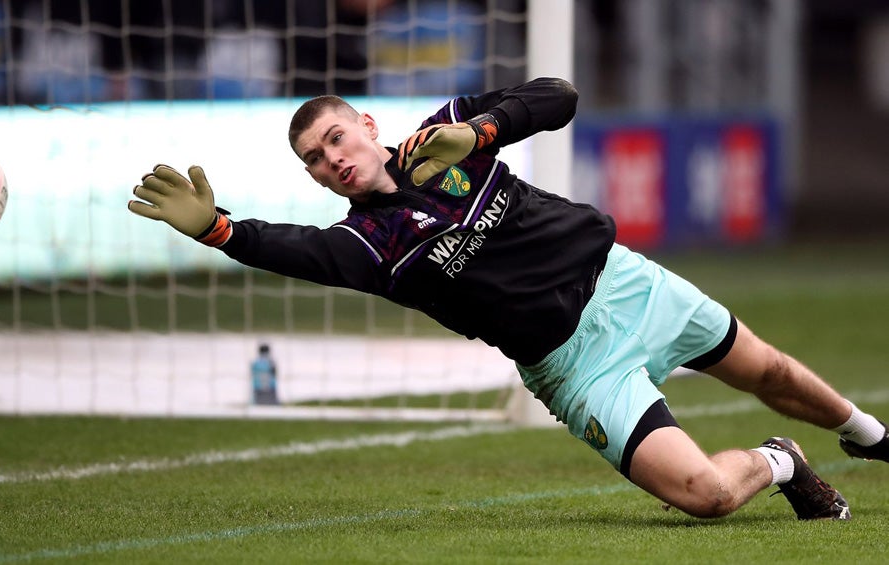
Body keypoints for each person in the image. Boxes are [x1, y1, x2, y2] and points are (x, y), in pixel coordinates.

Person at [128, 77, 888, 521]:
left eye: (335, 139)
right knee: (708, 496)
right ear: (318, 179)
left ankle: (870, 434)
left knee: (772, 371)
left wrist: (485, 128)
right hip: (575, 365)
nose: (332, 160)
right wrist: (222, 230)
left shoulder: (447, 137)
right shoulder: (367, 245)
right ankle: (781, 463)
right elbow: (289, 249)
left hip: (627, 284)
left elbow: (557, 97)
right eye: (316, 162)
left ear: (366, 125)